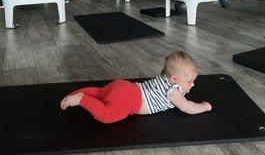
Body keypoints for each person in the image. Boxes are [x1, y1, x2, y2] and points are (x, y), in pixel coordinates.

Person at [60, 51, 212, 124]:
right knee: (107, 115)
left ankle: (73, 94)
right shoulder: (173, 91)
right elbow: (186, 107)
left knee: (100, 93)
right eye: (189, 81)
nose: (192, 84)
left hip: (124, 85)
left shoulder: (164, 78)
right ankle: (81, 99)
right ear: (174, 79)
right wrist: (203, 106)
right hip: (130, 101)